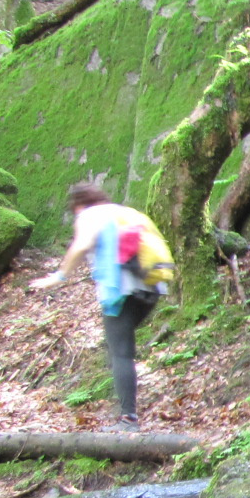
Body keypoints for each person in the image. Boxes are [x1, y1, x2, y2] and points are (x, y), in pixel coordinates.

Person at [28, 182, 169, 431]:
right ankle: (126, 411)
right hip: (152, 287)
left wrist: (59, 276)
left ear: (78, 205)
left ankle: (128, 420)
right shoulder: (127, 212)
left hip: (120, 289)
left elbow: (81, 245)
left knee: (121, 353)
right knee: (121, 347)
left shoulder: (89, 215)